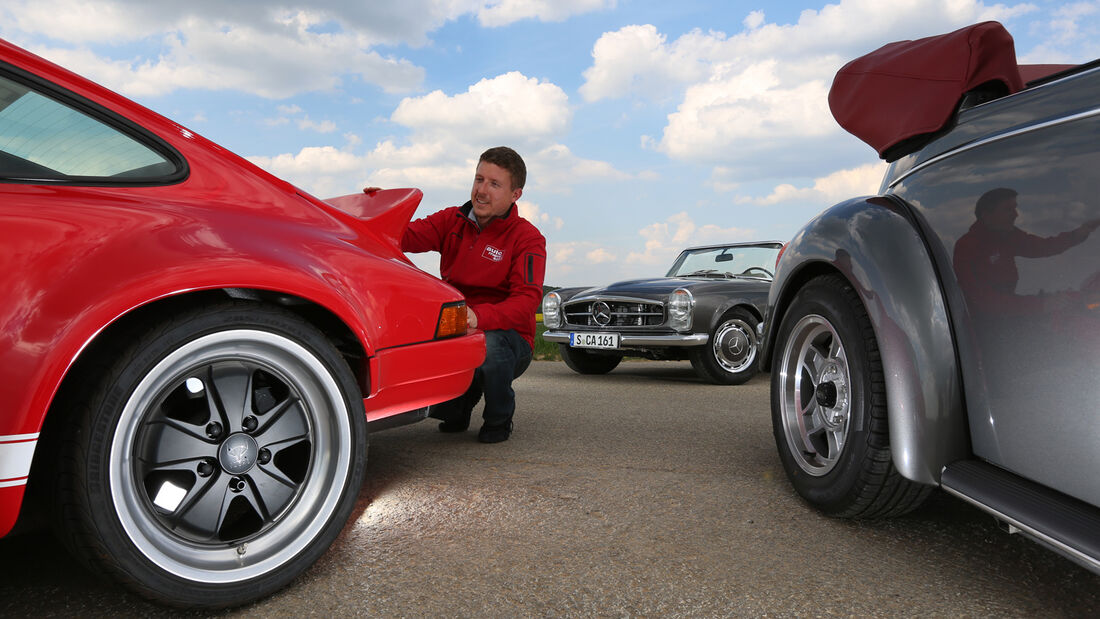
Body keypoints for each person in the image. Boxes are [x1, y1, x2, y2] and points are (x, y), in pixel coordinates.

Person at [365, 146, 546, 443]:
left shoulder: (527, 238)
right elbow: (403, 237)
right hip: (457, 328)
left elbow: (526, 302)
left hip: (509, 339)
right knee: (445, 406)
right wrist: (383, 211)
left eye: (494, 184)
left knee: (490, 345)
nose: (482, 191)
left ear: (516, 194)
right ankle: (458, 407)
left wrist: (478, 317)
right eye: (479, 179)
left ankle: (499, 417)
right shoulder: (452, 221)